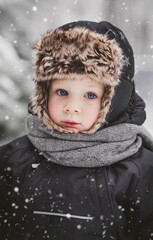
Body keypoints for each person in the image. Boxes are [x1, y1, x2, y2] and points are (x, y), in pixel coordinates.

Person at [0, 20, 153, 240]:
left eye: (90, 95)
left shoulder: (139, 172)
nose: (72, 107)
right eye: (62, 92)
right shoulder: (12, 161)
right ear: (44, 93)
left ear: (114, 102)